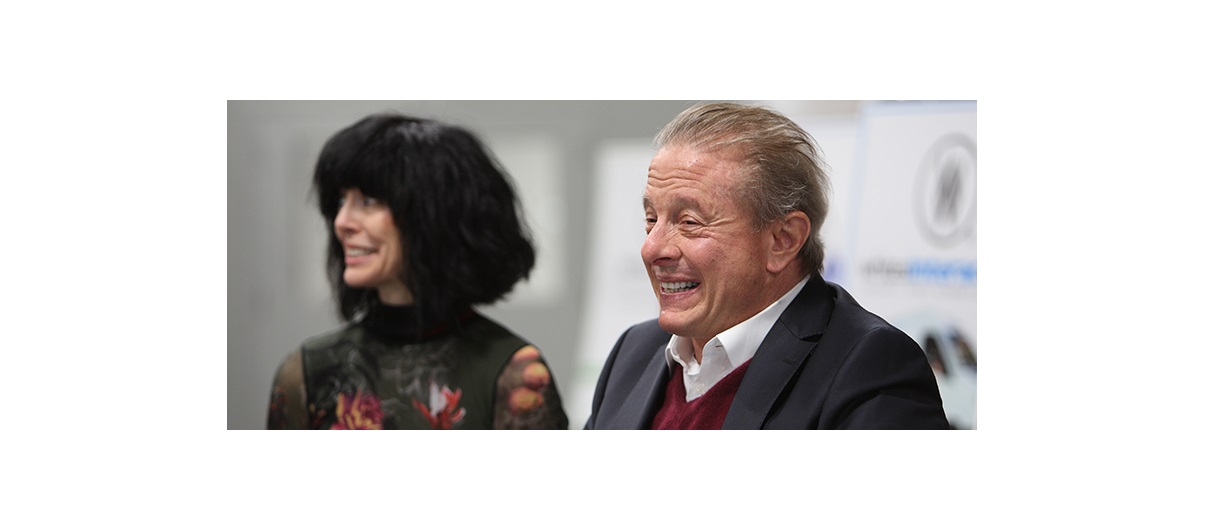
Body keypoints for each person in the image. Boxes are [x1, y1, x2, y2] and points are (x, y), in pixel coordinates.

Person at [584, 102, 949, 429]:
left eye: (689, 222)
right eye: (651, 219)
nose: (651, 248)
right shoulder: (634, 352)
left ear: (783, 240)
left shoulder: (869, 368)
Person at [267, 113, 568, 429]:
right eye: (341, 200)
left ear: (435, 214)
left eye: (368, 200)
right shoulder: (306, 373)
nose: (342, 222)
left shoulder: (514, 375)